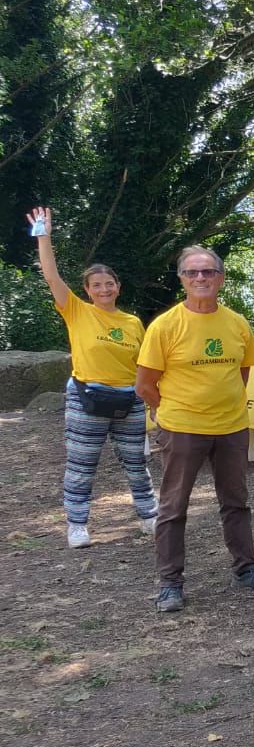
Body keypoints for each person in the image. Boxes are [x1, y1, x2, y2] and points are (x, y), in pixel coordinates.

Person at [134, 246, 254, 612]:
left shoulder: (237, 323)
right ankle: (170, 584)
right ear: (181, 279)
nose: (200, 279)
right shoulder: (165, 326)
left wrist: (224, 403)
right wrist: (172, 411)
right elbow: (145, 384)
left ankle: (246, 568)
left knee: (236, 502)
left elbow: (242, 371)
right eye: (192, 273)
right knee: (173, 507)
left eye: (208, 272)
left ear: (221, 278)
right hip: (182, 428)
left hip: (231, 427)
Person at [25, 207, 158, 547]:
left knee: (136, 464)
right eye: (96, 285)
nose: (103, 289)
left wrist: (154, 401)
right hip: (87, 398)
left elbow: (146, 364)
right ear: (86, 289)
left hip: (130, 400)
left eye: (109, 283)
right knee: (82, 465)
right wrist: (44, 236)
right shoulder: (77, 311)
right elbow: (52, 277)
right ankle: (78, 525)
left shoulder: (132, 323)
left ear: (118, 287)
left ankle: (149, 516)